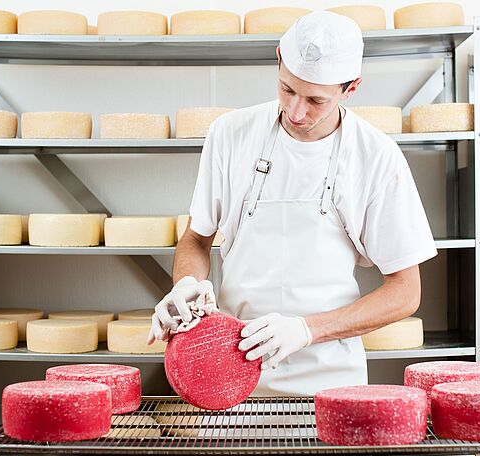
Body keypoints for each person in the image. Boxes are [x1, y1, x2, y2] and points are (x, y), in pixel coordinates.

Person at [148, 11, 437, 396]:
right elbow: (196, 239)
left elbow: (405, 292)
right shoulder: (230, 135)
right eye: (287, 89)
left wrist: (306, 329)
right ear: (279, 58)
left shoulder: (375, 156)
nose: (297, 112)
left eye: (316, 99)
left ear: (352, 87)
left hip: (331, 377)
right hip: (232, 373)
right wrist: (187, 282)